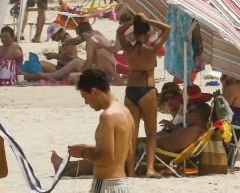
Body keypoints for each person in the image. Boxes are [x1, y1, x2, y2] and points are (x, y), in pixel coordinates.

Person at [116, 13, 171, 178]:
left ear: (134, 33)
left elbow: (119, 32)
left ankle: (131, 171)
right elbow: (166, 28)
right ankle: (150, 169)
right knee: (151, 132)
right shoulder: (152, 48)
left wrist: (135, 21)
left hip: (131, 90)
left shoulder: (128, 48)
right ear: (147, 32)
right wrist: (147, 21)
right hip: (147, 89)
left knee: (132, 133)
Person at [64, 69, 133, 190]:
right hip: (122, 185)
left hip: (106, 184)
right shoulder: (126, 112)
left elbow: (106, 159)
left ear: (95, 91)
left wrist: (81, 153)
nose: (86, 102)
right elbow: (127, 153)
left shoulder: (107, 116)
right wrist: (91, 148)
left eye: (85, 96)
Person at [37, 22, 124, 86]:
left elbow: (88, 64)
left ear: (84, 34)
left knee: (72, 76)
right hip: (106, 70)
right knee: (75, 61)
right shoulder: (97, 34)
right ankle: (53, 76)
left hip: (102, 74)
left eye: (81, 36)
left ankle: (53, 76)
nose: (81, 39)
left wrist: (80, 71)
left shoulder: (90, 40)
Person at [140, 101, 211, 154]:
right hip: (154, 153)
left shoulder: (195, 130)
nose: (186, 113)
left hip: (150, 154)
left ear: (197, 116)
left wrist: (146, 140)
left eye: (189, 111)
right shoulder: (197, 130)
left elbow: (171, 146)